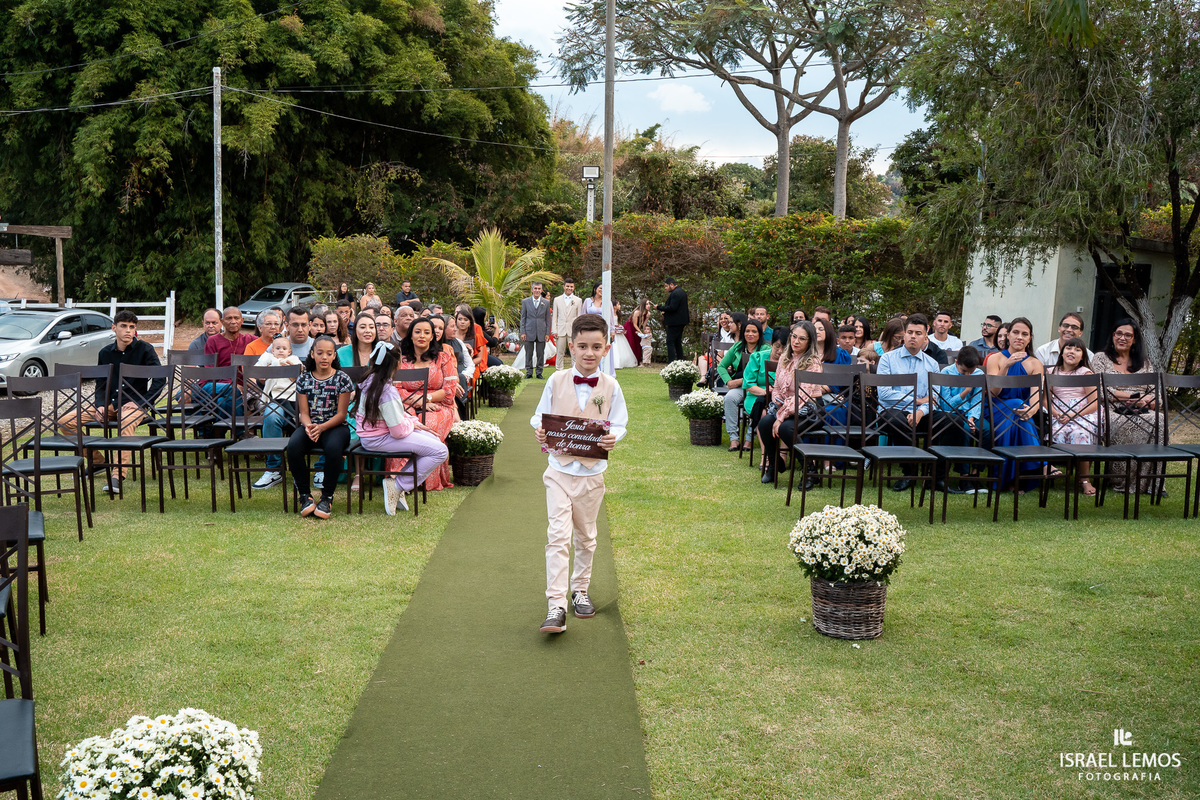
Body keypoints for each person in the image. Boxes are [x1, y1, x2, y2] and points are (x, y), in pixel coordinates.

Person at [531, 313, 628, 634]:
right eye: (582, 346)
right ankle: (555, 604)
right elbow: (539, 418)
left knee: (586, 537)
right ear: (571, 346)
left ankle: (580, 590)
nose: (588, 353)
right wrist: (541, 432)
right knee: (557, 537)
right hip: (558, 470)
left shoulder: (611, 386)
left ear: (606, 348)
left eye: (596, 347)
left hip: (591, 474)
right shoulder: (555, 380)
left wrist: (615, 436)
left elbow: (619, 421)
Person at [58, 310, 164, 494]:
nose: (128, 331)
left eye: (132, 327)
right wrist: (99, 404)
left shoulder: (145, 350)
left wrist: (141, 402)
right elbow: (101, 383)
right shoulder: (105, 353)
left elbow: (160, 380)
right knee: (65, 421)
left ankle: (117, 475)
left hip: (133, 405)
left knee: (126, 419)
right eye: (123, 326)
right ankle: (97, 461)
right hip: (109, 404)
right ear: (114, 328)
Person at [356, 341, 450, 515]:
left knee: (434, 440)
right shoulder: (386, 390)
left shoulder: (371, 380)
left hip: (374, 436)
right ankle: (398, 485)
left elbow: (394, 415)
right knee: (440, 451)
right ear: (398, 363)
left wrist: (414, 423)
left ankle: (397, 484)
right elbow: (398, 431)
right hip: (379, 439)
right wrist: (412, 425)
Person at [1090, 318, 1166, 494]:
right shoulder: (1101, 358)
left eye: (1128, 335)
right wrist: (1133, 396)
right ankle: (1123, 481)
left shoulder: (1144, 363)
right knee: (1142, 423)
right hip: (1112, 411)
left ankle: (1152, 483)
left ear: (1134, 340)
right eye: (1119, 333)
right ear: (1113, 335)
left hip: (1142, 409)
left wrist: (1145, 401)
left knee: (1159, 419)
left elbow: (1158, 397)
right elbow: (1099, 391)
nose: (1122, 338)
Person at [287, 336, 355, 519]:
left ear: (334, 356)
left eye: (329, 353)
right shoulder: (303, 379)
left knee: (333, 449)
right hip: (311, 426)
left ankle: (327, 497)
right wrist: (309, 426)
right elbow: (304, 413)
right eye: (319, 353)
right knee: (293, 447)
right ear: (312, 354)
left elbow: (341, 414)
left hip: (335, 427)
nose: (324, 357)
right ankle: (305, 496)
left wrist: (322, 428)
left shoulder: (342, 379)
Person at [392, 317, 458, 491]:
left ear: (432, 337)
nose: (422, 335)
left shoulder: (443, 358)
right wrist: (416, 403)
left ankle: (424, 481)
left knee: (427, 425)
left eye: (427, 332)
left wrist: (426, 400)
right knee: (405, 427)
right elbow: (395, 389)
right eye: (418, 332)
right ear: (410, 336)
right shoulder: (401, 359)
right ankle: (399, 478)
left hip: (439, 405)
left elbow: (450, 389)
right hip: (406, 404)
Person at [876, 314, 940, 491]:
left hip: (921, 414)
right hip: (892, 412)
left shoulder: (932, 364)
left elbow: (934, 398)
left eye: (918, 333)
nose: (913, 336)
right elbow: (884, 393)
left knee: (951, 420)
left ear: (925, 337)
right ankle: (910, 472)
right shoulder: (888, 359)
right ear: (904, 335)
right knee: (898, 419)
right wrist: (917, 400)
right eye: (909, 332)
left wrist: (920, 411)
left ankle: (937, 477)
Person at [986, 317, 1050, 491]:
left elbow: (1036, 396)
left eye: (1024, 334)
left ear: (1030, 338)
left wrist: (1032, 410)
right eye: (1015, 332)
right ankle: (1042, 463)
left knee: (1018, 414)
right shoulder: (995, 358)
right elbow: (994, 392)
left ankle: (1010, 481)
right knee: (1016, 404)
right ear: (1008, 335)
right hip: (995, 410)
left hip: (1020, 413)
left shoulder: (1035, 363)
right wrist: (1006, 366)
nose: (1019, 337)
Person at [758, 322, 825, 485]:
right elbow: (778, 389)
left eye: (802, 339)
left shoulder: (813, 363)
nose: (796, 341)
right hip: (786, 406)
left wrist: (780, 417)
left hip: (810, 409)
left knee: (786, 428)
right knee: (765, 423)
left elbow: (802, 396)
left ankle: (809, 470)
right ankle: (774, 464)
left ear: (809, 342)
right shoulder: (784, 357)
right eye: (794, 336)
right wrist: (779, 405)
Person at [1048, 337, 1099, 496]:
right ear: (1062, 352)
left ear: (1083, 356)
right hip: (1058, 412)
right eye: (1069, 348)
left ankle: (1084, 479)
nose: (1072, 352)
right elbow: (1045, 399)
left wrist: (1073, 414)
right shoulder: (1051, 372)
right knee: (1055, 432)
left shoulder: (1085, 373)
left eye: (1078, 350)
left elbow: (1094, 403)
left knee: (1080, 433)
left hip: (1083, 412)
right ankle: (1052, 469)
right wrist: (1056, 413)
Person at [932, 345, 986, 493]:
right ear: (956, 362)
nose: (968, 375)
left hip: (971, 413)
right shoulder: (946, 372)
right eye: (964, 371)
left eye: (971, 371)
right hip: (951, 413)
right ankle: (964, 477)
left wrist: (972, 417)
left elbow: (977, 400)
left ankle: (976, 473)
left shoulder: (979, 374)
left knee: (987, 430)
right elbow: (945, 404)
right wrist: (966, 390)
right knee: (964, 429)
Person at [718, 319, 765, 451]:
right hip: (739, 387)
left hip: (757, 387)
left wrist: (741, 381)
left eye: (754, 331)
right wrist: (729, 381)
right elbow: (721, 366)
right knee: (729, 398)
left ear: (759, 333)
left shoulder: (766, 350)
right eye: (747, 331)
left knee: (759, 404)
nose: (750, 334)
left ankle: (749, 439)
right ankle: (734, 438)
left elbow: (764, 374)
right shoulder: (737, 347)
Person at [203, 306, 256, 417]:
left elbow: (267, 342)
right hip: (214, 385)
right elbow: (210, 371)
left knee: (221, 402)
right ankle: (241, 431)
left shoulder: (249, 340)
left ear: (242, 320)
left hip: (238, 388)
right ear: (222, 322)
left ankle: (216, 433)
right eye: (229, 318)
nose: (233, 322)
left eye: (236, 318)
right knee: (231, 391)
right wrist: (233, 385)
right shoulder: (213, 341)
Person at [520, 281, 552, 379]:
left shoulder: (546, 302)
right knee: (528, 353)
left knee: (540, 354)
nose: (537, 290)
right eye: (535, 288)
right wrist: (523, 332)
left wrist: (547, 333)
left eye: (539, 289)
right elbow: (523, 318)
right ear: (532, 290)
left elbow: (547, 319)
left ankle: (539, 372)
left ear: (541, 290)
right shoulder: (525, 302)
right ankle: (529, 372)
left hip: (541, 331)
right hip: (529, 331)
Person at [254, 337, 301, 403]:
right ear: (273, 351)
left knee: (294, 407)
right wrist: (262, 373)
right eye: (278, 348)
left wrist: (293, 369)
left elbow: (301, 370)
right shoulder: (270, 359)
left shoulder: (293, 359)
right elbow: (258, 366)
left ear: (289, 351)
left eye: (284, 349)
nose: (281, 350)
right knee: (288, 408)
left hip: (291, 390)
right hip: (275, 391)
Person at [656, 277, 689, 363]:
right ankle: (680, 361)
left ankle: (671, 363)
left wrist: (659, 307)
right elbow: (677, 308)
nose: (665, 288)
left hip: (675, 322)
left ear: (671, 284)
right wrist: (665, 312)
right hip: (681, 321)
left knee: (670, 342)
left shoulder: (676, 293)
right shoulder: (681, 291)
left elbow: (672, 307)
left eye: (666, 286)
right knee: (677, 342)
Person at [552, 278, 583, 370]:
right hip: (560, 330)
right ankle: (559, 371)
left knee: (574, 352)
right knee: (560, 353)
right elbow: (555, 317)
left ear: (574, 288)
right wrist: (554, 330)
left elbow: (579, 317)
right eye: (567, 286)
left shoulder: (578, 300)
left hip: (572, 330)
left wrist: (577, 331)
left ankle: (575, 371)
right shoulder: (557, 300)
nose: (569, 288)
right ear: (564, 286)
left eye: (571, 287)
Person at [624, 298, 652, 364]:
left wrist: (645, 332)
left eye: (649, 304)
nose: (648, 305)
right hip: (630, 327)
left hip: (637, 328)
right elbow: (634, 324)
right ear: (643, 305)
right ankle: (629, 361)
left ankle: (637, 360)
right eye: (647, 304)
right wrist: (640, 332)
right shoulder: (637, 312)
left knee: (638, 342)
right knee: (631, 342)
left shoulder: (648, 314)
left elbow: (644, 324)